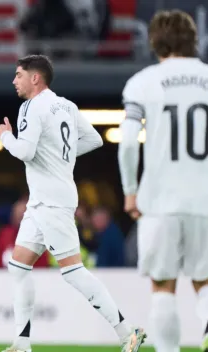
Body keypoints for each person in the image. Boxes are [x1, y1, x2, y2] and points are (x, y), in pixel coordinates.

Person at [0, 54, 146, 352]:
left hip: (51, 201)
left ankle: (127, 331)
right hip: (43, 201)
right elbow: (93, 140)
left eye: (18, 75)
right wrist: (57, 154)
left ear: (35, 78)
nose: (14, 81)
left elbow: (24, 152)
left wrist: (6, 137)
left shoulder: (30, 106)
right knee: (18, 266)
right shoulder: (66, 105)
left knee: (74, 271)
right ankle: (22, 343)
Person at [118, 10, 208, 352]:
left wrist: (130, 192)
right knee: (204, 280)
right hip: (204, 197)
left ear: (154, 41)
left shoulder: (143, 82)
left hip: (160, 199)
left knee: (163, 285)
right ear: (193, 40)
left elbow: (128, 142)